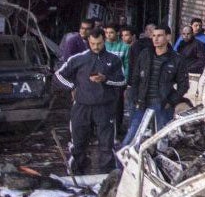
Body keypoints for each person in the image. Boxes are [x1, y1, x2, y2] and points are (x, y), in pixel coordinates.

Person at [54, 28, 125, 174]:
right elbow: (58, 75)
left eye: (99, 43)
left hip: (105, 107)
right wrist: (72, 87)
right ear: (88, 42)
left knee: (106, 144)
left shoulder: (113, 59)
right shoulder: (78, 59)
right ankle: (77, 172)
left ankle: (107, 174)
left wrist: (106, 79)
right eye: (93, 43)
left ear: (104, 40)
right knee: (78, 142)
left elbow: (122, 81)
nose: (96, 47)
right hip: (82, 106)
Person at [122, 25, 186, 146]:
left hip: (162, 104)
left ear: (168, 37)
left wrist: (171, 101)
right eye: (154, 36)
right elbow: (135, 78)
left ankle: (158, 163)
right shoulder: (145, 54)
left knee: (161, 139)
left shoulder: (176, 59)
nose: (155, 39)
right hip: (142, 102)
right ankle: (121, 164)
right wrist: (135, 97)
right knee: (132, 135)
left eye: (159, 36)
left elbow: (184, 85)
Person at [103, 23, 131, 140]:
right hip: (103, 82)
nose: (109, 35)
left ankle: (117, 129)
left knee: (117, 107)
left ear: (117, 33)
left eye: (111, 33)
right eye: (107, 33)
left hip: (118, 83)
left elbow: (127, 65)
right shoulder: (102, 46)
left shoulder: (125, 47)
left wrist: (125, 80)